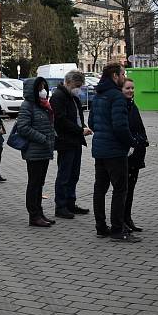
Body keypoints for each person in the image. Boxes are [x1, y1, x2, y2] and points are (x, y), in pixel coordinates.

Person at [89, 63, 142, 242]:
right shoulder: (117, 97)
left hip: (99, 149)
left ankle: (101, 227)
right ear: (114, 76)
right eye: (122, 74)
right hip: (115, 151)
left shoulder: (98, 96)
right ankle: (118, 230)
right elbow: (120, 126)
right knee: (120, 190)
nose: (123, 76)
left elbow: (93, 124)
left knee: (100, 189)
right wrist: (132, 142)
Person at [50, 70, 91, 219]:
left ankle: (70, 202)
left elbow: (77, 117)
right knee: (64, 175)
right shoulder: (58, 97)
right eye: (77, 85)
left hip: (75, 141)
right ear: (67, 82)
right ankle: (60, 206)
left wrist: (83, 127)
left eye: (80, 85)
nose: (78, 88)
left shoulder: (72, 97)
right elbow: (60, 120)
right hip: (66, 142)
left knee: (74, 174)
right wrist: (80, 130)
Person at [17, 77, 56, 228]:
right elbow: (23, 127)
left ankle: (39, 212)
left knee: (40, 183)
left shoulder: (43, 105)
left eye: (43, 87)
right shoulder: (27, 106)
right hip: (34, 151)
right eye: (40, 88)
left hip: (44, 150)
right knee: (34, 184)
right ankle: (33, 215)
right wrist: (42, 138)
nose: (43, 91)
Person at [123, 78, 148, 233]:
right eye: (127, 88)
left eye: (132, 88)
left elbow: (140, 126)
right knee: (124, 189)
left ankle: (128, 218)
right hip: (127, 153)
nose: (131, 91)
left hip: (136, 153)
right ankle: (121, 220)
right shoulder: (122, 106)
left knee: (131, 188)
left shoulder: (133, 106)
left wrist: (143, 140)